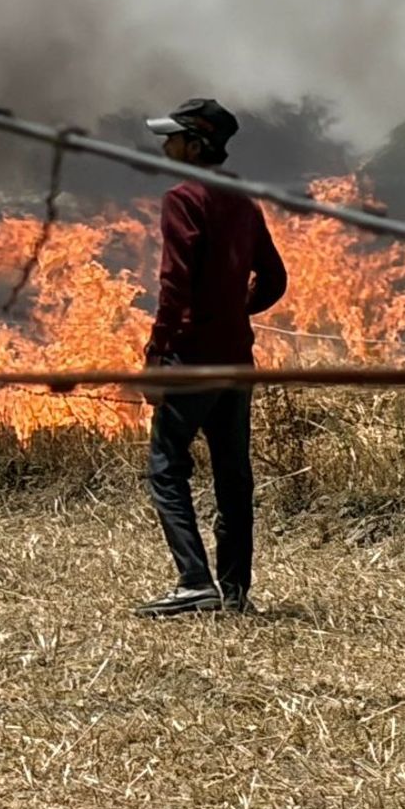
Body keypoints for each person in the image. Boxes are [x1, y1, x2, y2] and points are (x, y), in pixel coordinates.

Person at [135, 98, 287, 617]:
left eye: (172, 137)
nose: (164, 146)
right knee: (232, 474)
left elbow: (174, 283)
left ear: (195, 145)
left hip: (192, 356)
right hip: (236, 358)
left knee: (166, 467)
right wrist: (234, 311)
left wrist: (159, 349)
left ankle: (194, 581)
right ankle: (236, 591)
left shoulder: (183, 197)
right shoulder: (243, 201)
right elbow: (274, 279)